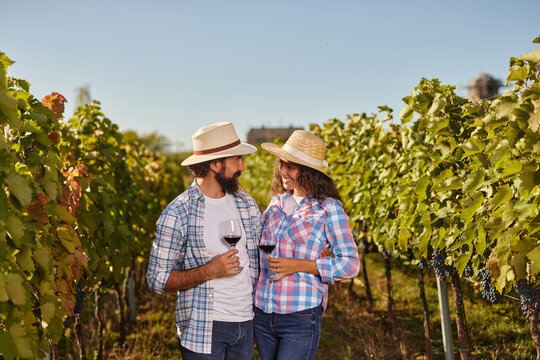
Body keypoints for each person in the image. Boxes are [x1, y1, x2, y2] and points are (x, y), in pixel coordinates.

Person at [146, 122, 261, 360]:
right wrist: (209, 271)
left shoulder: (245, 203)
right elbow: (157, 279)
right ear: (214, 164)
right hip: (205, 327)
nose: (243, 167)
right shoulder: (178, 212)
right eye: (237, 159)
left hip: (245, 322)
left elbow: (264, 249)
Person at [253, 130, 360, 360]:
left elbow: (350, 264)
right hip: (262, 312)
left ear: (308, 172)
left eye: (290, 167)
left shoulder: (328, 208)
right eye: (281, 164)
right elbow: (257, 244)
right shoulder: (276, 202)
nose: (282, 171)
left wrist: (301, 265)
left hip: (299, 316)